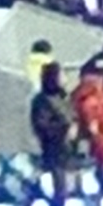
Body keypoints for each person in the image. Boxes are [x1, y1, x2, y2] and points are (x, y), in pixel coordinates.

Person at [31, 59, 75, 190]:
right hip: (55, 153)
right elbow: (42, 126)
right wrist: (65, 129)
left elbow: (73, 116)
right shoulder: (42, 100)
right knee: (60, 187)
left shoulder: (63, 98)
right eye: (62, 75)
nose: (65, 79)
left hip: (70, 152)